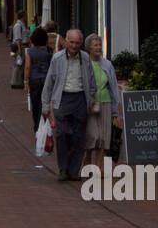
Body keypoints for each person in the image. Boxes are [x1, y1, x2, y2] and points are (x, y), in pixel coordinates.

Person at [40, 28, 96, 181]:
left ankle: (74, 170)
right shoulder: (57, 58)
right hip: (62, 99)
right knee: (63, 134)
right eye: (71, 42)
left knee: (78, 137)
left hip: (80, 98)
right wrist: (45, 106)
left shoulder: (85, 58)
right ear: (65, 41)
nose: (74, 46)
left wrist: (90, 99)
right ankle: (63, 169)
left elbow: (91, 81)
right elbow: (49, 82)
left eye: (77, 43)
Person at [85, 36, 123, 171]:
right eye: (95, 45)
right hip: (90, 104)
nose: (98, 48)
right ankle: (87, 162)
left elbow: (113, 86)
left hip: (106, 102)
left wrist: (116, 112)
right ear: (89, 47)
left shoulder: (107, 65)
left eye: (100, 45)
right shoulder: (85, 63)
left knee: (104, 137)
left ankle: (99, 168)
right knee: (93, 135)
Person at [23, 28, 54, 135]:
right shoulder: (49, 50)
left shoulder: (30, 51)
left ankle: (37, 126)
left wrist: (26, 81)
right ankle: (45, 123)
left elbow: (27, 67)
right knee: (46, 103)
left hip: (34, 80)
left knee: (36, 104)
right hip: (47, 80)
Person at [10, 11, 30, 88]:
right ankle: (15, 82)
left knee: (21, 64)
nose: (26, 18)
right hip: (20, 47)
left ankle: (18, 82)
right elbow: (18, 39)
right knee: (19, 64)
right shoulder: (18, 26)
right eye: (26, 16)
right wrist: (19, 50)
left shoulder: (22, 25)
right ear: (23, 17)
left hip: (23, 47)